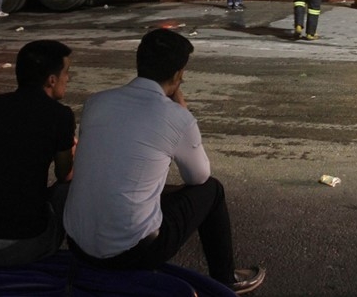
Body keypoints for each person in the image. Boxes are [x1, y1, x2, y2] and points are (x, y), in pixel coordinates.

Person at [63, 29, 265, 295]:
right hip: (132, 252)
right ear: (179, 74)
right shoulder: (176, 117)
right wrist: (180, 107)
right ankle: (224, 278)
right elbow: (199, 177)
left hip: (78, 245)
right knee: (212, 191)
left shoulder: (96, 103)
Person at [0, 40, 76, 266]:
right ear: (51, 79)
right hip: (24, 244)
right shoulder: (60, 115)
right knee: (69, 190)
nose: (68, 79)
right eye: (66, 73)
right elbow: (65, 175)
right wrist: (73, 148)